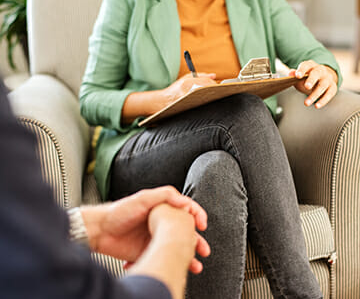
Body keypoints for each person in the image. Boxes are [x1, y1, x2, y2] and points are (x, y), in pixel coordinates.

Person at [79, 0, 342, 298]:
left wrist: (323, 71)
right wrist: (166, 97)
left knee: (217, 171)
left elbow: (314, 55)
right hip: (145, 150)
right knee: (245, 111)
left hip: (229, 149)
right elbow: (92, 98)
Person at [0, 78, 211, 299]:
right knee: (239, 113)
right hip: (141, 142)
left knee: (215, 168)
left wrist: (95, 226)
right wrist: (174, 235)